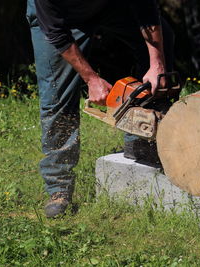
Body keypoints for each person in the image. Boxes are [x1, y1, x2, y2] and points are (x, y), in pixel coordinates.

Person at [26, 0, 174, 218]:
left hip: (110, 7)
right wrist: (91, 79)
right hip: (61, 18)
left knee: (163, 40)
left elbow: (146, 10)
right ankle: (58, 186)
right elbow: (56, 32)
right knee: (56, 96)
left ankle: (143, 140)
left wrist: (157, 65)